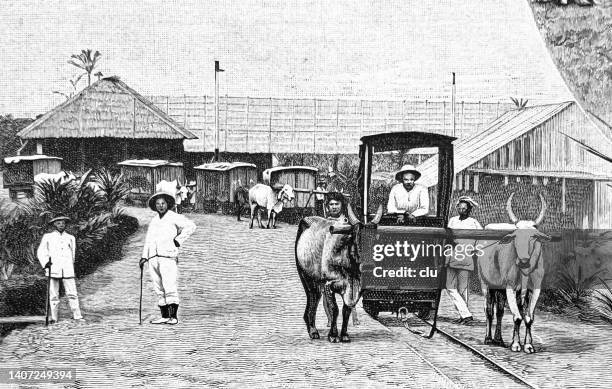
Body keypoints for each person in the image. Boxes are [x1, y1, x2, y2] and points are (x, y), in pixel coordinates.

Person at [139, 191, 196, 325]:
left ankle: (173, 317)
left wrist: (178, 240)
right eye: (158, 204)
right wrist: (144, 257)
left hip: (168, 257)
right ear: (155, 206)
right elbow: (148, 240)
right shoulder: (153, 221)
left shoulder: (173, 217)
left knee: (169, 285)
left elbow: (191, 226)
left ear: (168, 204)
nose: (160, 206)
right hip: (153, 258)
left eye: (163, 203)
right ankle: (164, 316)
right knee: (158, 287)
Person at [37, 214, 83, 323]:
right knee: (53, 295)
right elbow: (41, 252)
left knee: (72, 293)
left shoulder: (71, 238)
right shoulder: (48, 237)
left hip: (67, 268)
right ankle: (54, 317)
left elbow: (73, 254)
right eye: (58, 223)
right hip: (53, 268)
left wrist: (69, 265)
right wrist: (45, 263)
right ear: (54, 224)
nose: (61, 225)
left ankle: (77, 315)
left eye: (63, 223)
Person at [446, 196, 482, 325]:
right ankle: (465, 314)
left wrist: (475, 250)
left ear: (469, 210)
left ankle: (465, 315)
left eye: (465, 209)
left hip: (466, 256)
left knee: (463, 288)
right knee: (449, 286)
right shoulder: (452, 221)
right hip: (452, 256)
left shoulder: (474, 223)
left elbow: (481, 238)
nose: (462, 210)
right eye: (460, 208)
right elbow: (447, 236)